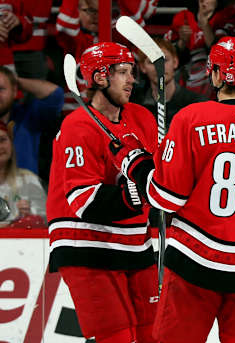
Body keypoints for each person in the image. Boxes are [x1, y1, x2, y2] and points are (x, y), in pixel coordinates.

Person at [111, 36, 235, 343]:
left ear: (215, 74)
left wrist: (136, 163)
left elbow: (165, 197)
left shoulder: (191, 118)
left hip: (194, 264)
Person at [47, 42, 159, 343]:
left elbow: (159, 180)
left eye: (132, 72)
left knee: (155, 333)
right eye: (122, 72)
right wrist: (138, 194)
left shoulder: (143, 118)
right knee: (116, 336)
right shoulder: (76, 126)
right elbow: (85, 201)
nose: (131, 80)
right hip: (84, 242)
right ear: (99, 77)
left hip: (135, 243)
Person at [164, 0, 235, 99]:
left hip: (219, 89)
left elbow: (221, 53)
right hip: (188, 88)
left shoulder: (227, 15)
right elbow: (169, 57)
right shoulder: (184, 18)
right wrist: (182, 42)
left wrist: (204, 23)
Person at [0, 66, 64, 177]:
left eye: (0, 89)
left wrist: (15, 81)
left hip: (27, 191)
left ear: (15, 91)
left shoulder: (27, 116)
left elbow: (55, 94)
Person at [133, 37, 207, 128]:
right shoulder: (135, 107)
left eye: (164, 60)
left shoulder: (196, 104)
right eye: (152, 62)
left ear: (175, 62)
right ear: (142, 67)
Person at [0, 120, 46, 227]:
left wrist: (31, 215)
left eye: (2, 140)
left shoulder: (29, 179)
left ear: (11, 143)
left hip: (23, 242)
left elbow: (47, 218)